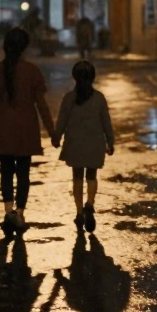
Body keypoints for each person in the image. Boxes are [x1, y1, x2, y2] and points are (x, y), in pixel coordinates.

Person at [0, 28, 57, 233]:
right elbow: (41, 104)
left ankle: (8, 212)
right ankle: (20, 213)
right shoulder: (32, 71)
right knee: (23, 173)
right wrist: (52, 131)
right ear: (24, 47)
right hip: (26, 128)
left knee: (6, 172)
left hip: (3, 127)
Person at [53, 61, 115, 233]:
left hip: (75, 142)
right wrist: (110, 141)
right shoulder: (99, 98)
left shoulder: (69, 99)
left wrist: (56, 137)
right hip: (95, 143)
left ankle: (79, 212)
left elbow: (61, 122)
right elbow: (106, 123)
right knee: (92, 175)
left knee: (77, 176)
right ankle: (90, 204)